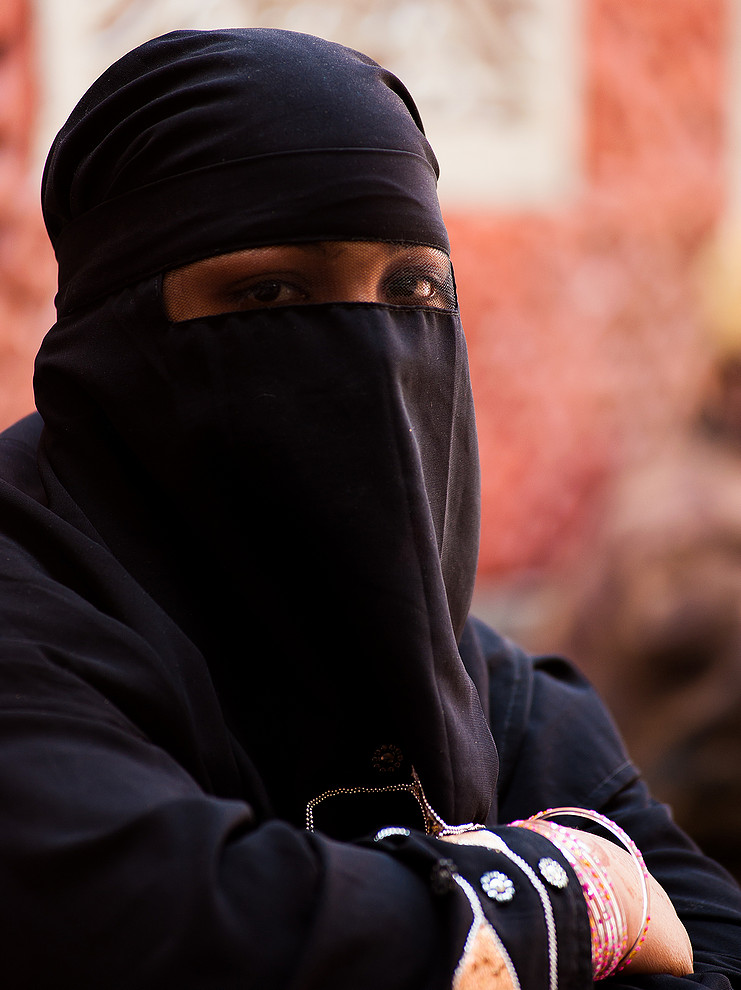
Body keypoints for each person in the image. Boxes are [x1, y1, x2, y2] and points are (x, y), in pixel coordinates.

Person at [0, 26, 737, 989]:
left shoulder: (488, 688)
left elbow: (713, 944)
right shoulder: (30, 610)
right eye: (269, 291)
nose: (373, 356)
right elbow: (164, 919)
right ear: (116, 328)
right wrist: (580, 889)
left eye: (414, 289)